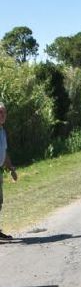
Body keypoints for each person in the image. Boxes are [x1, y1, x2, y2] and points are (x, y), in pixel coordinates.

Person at [0, 102, 18, 241]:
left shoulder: (2, 131)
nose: (2, 115)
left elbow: (4, 153)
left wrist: (11, 168)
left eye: (4, 113)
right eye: (0, 112)